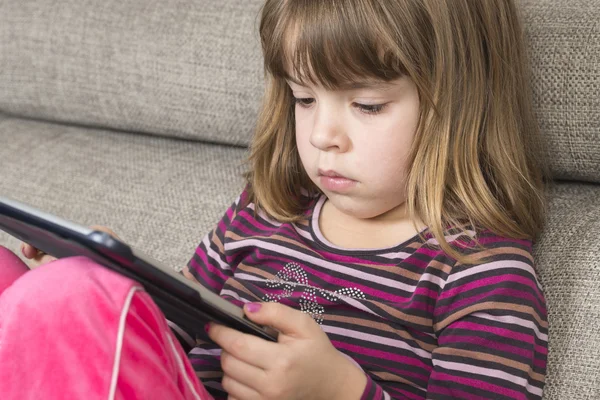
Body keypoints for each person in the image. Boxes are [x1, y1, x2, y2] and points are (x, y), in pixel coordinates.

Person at [0, 0, 549, 399]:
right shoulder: (265, 210)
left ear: (459, 104)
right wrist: (117, 284)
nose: (321, 135)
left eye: (368, 105)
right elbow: (173, 336)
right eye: (304, 98)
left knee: (63, 298)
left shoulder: (481, 272)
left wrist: (340, 392)